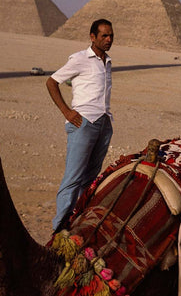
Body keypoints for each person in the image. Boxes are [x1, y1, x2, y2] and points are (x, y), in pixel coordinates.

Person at [47, 19, 114, 232]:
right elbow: (52, 82)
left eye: (111, 35)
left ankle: (79, 224)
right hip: (83, 123)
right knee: (73, 178)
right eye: (104, 35)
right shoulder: (80, 59)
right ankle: (59, 230)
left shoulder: (108, 61)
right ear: (92, 37)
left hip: (103, 122)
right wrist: (66, 111)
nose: (108, 39)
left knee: (91, 178)